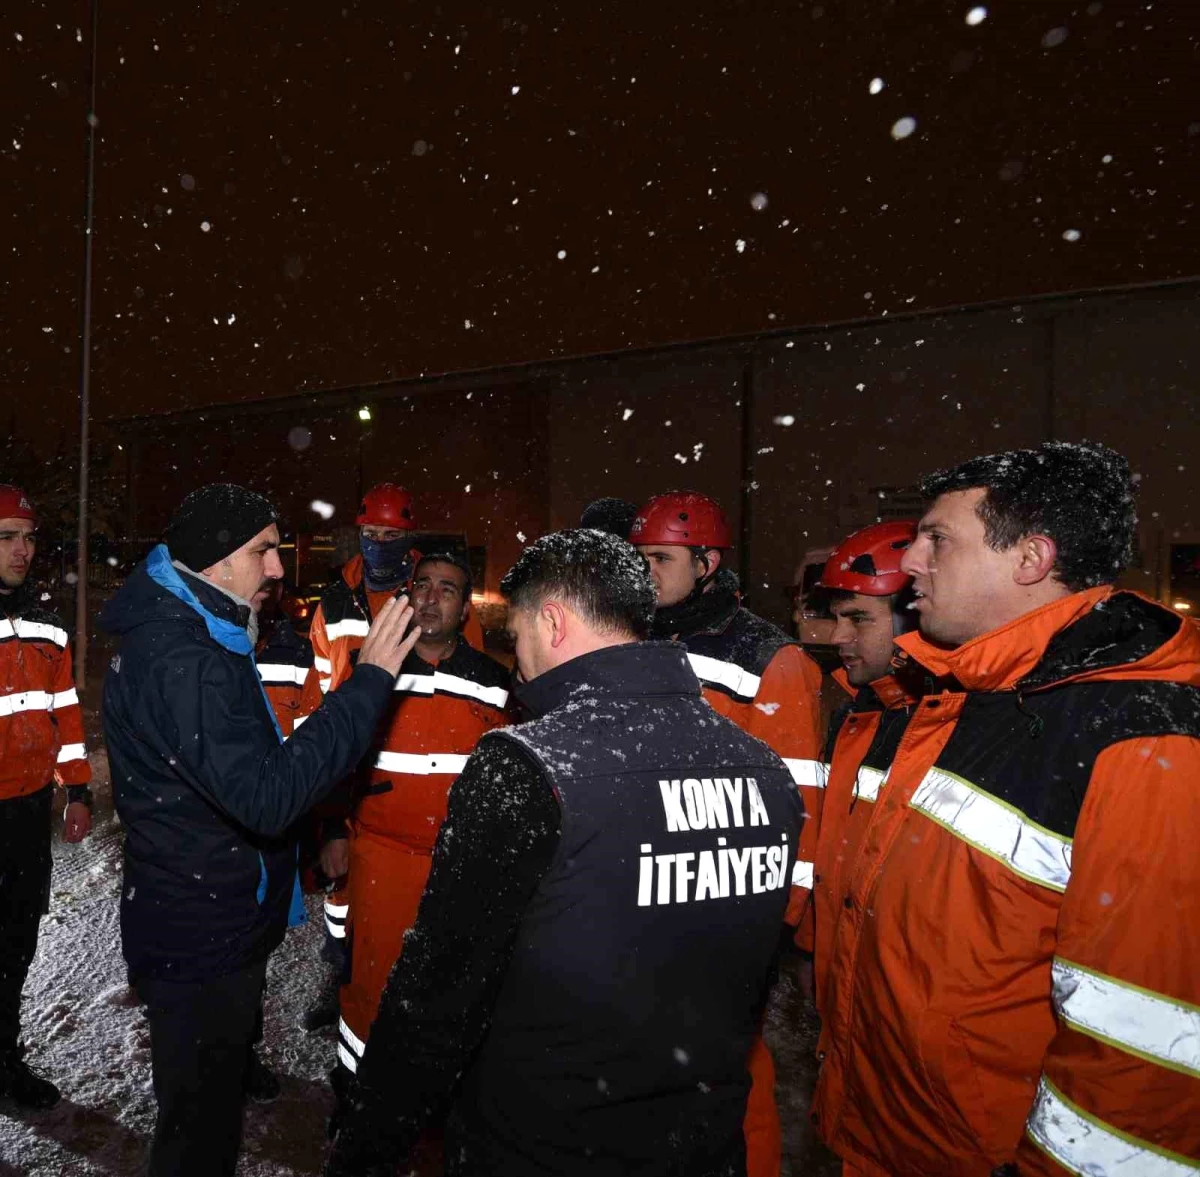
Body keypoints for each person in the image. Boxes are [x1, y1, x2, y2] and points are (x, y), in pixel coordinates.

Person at [325, 529, 803, 1177]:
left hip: (544, 1142)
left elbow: (438, 996)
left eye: (517, 636)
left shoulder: (525, 765)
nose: (517, 665)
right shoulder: (764, 770)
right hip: (698, 1142)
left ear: (552, 622)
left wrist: (365, 1149)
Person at [811, 442, 1200, 1177]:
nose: (914, 563)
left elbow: (1146, 1054)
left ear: (1030, 558)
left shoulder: (1143, 736)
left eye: (938, 540)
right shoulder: (966, 694)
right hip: (891, 1138)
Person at [100, 483, 422, 1177]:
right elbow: (268, 795)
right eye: (264, 550)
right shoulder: (180, 655)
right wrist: (366, 683)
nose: (279, 567)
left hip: (205, 912)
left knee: (206, 1113)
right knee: (198, 1134)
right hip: (197, 931)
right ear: (217, 561)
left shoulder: (198, 627)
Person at [630, 490, 824, 1177]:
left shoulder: (771, 659)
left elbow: (799, 805)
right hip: (647, 897)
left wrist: (776, 925)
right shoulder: (640, 640)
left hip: (724, 913)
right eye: (638, 556)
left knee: (731, 1073)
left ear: (708, 562)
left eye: (659, 557)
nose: (643, 570)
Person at [331, 551, 511, 1111]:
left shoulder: (494, 683)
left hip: (460, 864)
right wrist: (334, 829)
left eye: (449, 589)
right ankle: (356, 1094)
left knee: (450, 987)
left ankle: (437, 1103)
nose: (432, 598)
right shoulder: (371, 669)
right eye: (424, 585)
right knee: (368, 986)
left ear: (465, 610)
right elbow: (334, 755)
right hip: (379, 856)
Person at [304, 482, 425, 1030]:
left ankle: (405, 982)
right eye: (370, 533)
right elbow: (318, 690)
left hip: (413, 760)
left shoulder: (434, 593)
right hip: (349, 763)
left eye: (390, 535)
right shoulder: (334, 602)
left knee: (410, 885)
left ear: (409, 537)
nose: (378, 543)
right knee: (342, 881)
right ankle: (341, 971)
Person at [803, 521, 923, 1014]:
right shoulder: (860, 715)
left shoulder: (944, 726)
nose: (838, 637)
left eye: (858, 619)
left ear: (912, 622)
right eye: (836, 619)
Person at [0, 484, 92, 1110]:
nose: (23, 549)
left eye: (29, 536)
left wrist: (78, 789)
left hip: (29, 810)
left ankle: (3, 1058)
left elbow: (63, 710)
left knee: (15, 941)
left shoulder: (46, 616)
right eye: (7, 536)